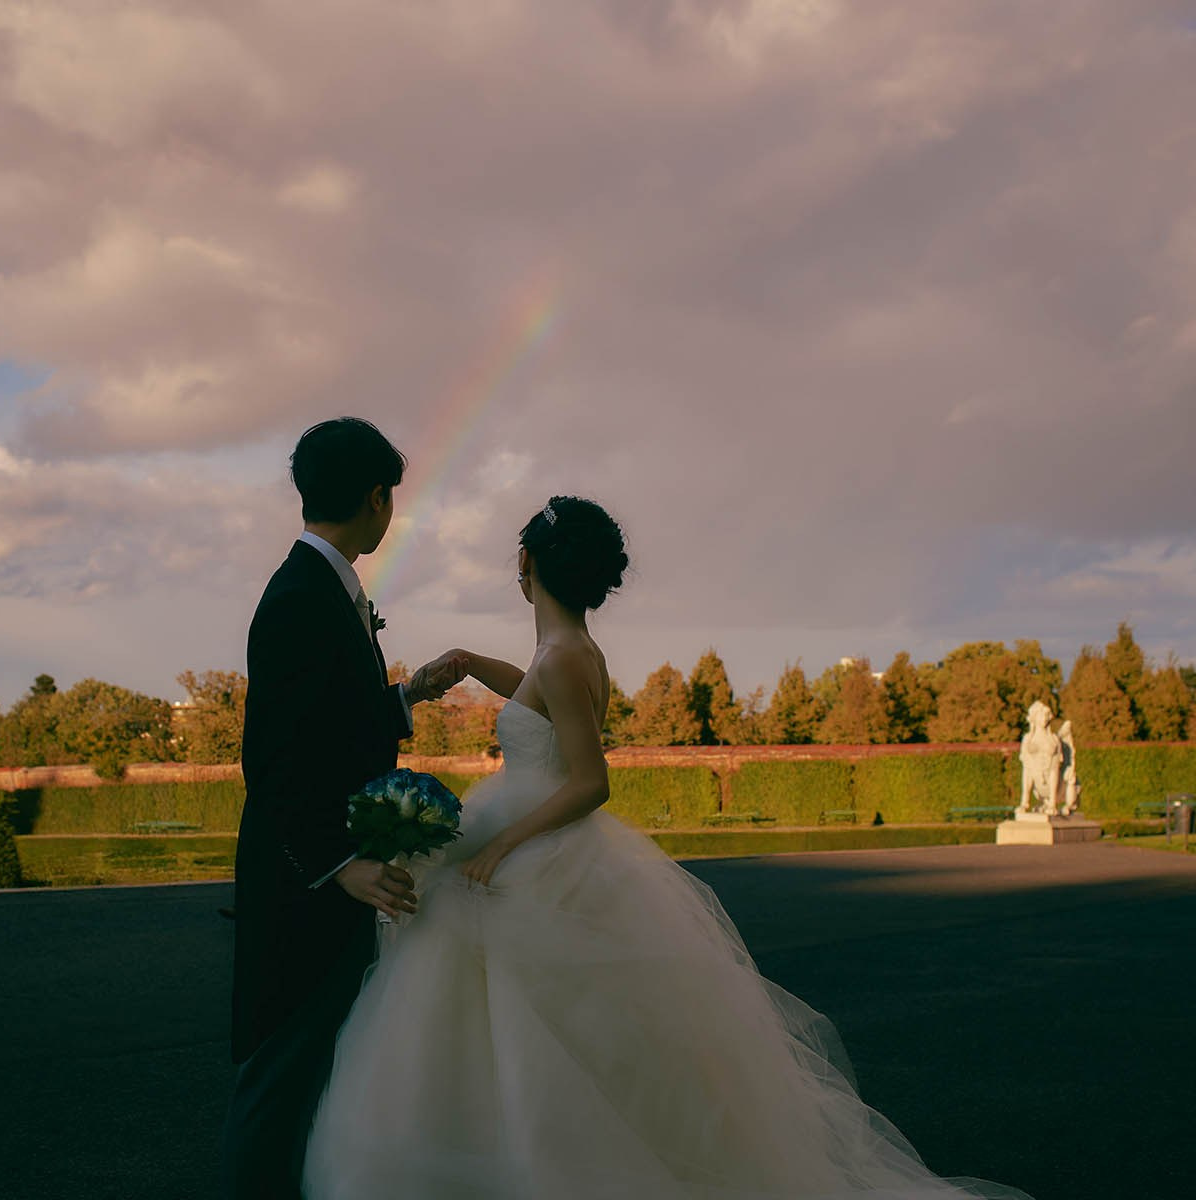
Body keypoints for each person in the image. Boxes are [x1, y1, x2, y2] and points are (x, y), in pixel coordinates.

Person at [304, 496, 1028, 1199]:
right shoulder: (568, 650)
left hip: (536, 838)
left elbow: (591, 782)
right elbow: (536, 699)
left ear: (524, 561)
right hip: (555, 842)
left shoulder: (560, 657)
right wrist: (472, 662)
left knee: (515, 1022)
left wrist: (502, 848)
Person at [220, 417, 464, 1199]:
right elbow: (275, 763)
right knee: (281, 1071)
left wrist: (404, 697)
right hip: (302, 889)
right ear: (376, 499)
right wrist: (342, 865)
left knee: (313, 1067)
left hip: (320, 880)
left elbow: (326, 724)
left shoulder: (323, 587)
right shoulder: (301, 596)